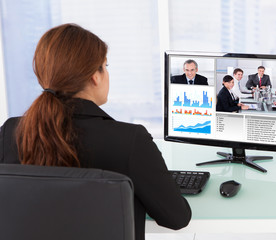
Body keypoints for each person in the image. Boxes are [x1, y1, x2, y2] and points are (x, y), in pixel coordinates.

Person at [0, 24, 191, 240]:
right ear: (95, 76)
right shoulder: (130, 141)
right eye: (105, 66)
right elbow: (177, 218)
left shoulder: (10, 132)